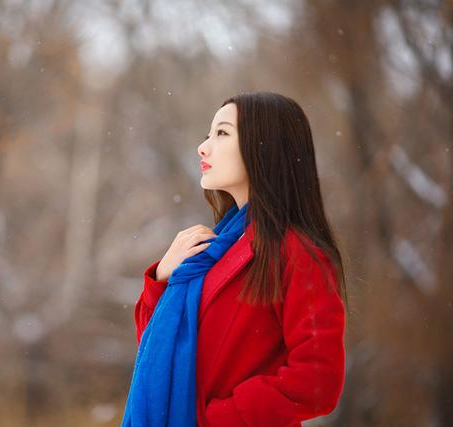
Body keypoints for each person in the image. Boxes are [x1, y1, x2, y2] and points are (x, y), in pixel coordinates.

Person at [122, 91, 348, 427]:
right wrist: (164, 276)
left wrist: (218, 418)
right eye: (208, 134)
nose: (203, 146)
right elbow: (156, 349)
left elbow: (317, 381)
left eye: (222, 133)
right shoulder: (214, 248)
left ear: (264, 147)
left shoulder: (297, 253)